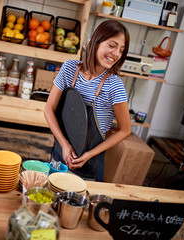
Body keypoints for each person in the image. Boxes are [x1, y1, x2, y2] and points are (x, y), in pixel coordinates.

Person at [44, 20, 131, 182]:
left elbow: (125, 130)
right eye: (112, 46)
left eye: (121, 50)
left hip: (89, 165)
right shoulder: (69, 68)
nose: (116, 54)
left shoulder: (115, 86)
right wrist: (64, 145)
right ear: (96, 42)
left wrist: (89, 154)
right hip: (59, 154)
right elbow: (49, 109)